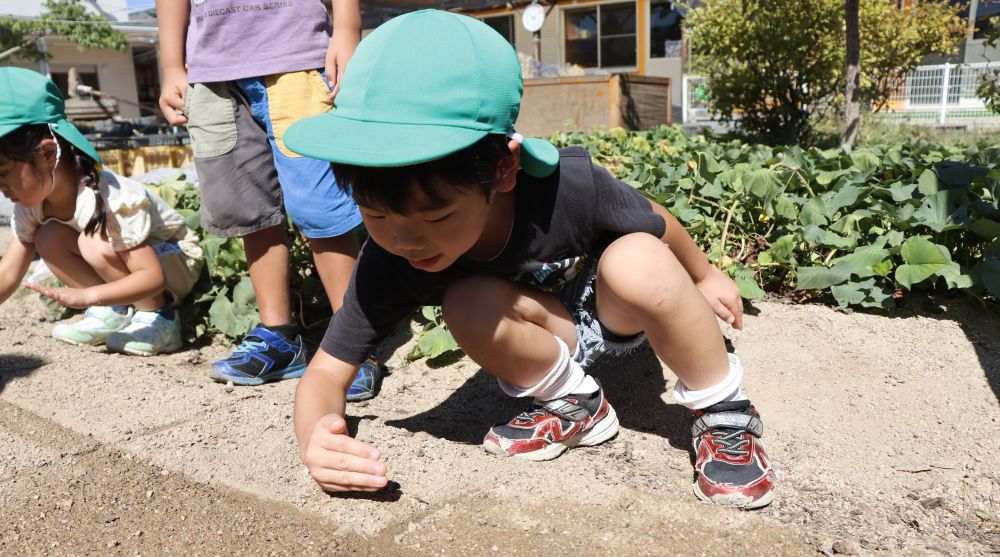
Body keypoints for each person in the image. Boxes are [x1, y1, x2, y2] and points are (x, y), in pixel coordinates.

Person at [287, 10, 774, 509]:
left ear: (503, 168)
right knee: (466, 301)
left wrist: (706, 274)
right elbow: (325, 374)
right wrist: (316, 441)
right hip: (547, 332)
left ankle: (724, 413)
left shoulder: (569, 185)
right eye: (374, 214)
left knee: (640, 258)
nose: (405, 240)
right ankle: (574, 403)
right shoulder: (390, 256)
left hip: (614, 310)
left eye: (436, 218)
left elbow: (654, 215)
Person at [155, 0, 382, 397]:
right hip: (212, 71)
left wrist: (347, 26)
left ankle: (354, 344)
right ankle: (279, 336)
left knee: (320, 206)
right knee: (247, 206)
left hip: (298, 57)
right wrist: (172, 63)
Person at [0, 68, 203, 356]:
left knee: (92, 242)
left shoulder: (109, 197)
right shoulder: (30, 205)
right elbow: (8, 272)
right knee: (47, 237)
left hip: (174, 260)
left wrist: (88, 295)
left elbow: (152, 277)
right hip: (126, 267)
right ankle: (114, 312)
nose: (0, 187)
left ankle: (161, 317)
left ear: (47, 154)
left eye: (3, 173)